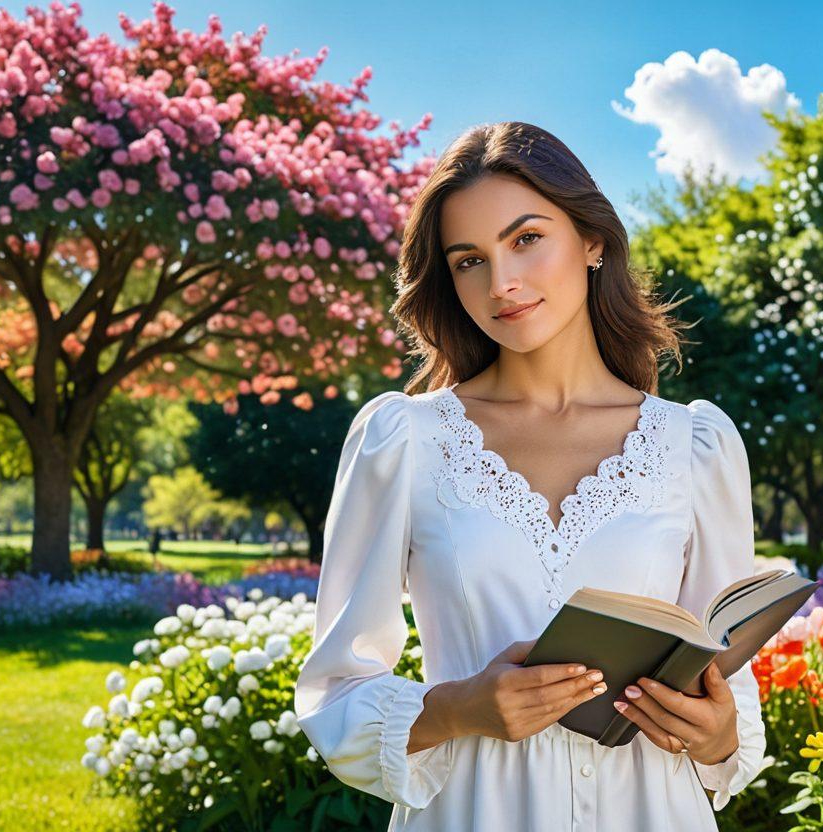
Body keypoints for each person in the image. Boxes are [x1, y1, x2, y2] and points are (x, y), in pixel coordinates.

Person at [293, 121, 767, 831]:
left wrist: (718, 734)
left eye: (525, 239)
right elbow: (333, 692)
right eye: (468, 260)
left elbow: (731, 699)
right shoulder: (405, 441)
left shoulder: (695, 444)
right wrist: (457, 709)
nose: (502, 283)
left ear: (593, 239)